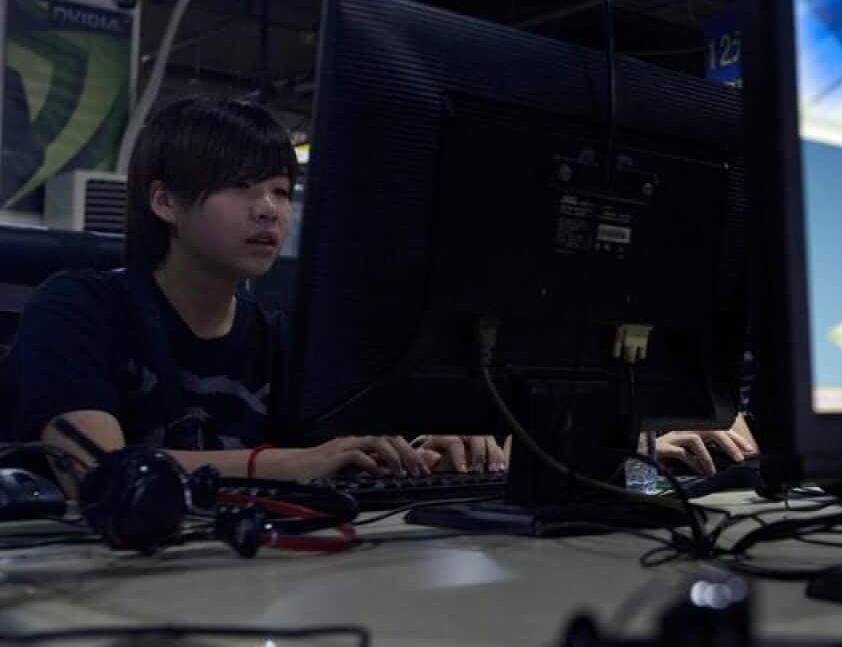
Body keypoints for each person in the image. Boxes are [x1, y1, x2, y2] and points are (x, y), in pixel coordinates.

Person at [8, 97, 503, 493]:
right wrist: (283, 465)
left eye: (281, 191)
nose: (269, 210)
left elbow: (332, 452)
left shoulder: (280, 340)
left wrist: (417, 451)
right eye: (240, 185)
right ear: (165, 202)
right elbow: (96, 472)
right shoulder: (79, 308)